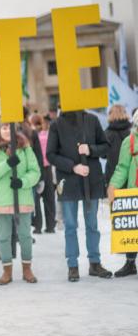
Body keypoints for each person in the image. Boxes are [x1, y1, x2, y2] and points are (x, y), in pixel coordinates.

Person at [46, 110, 112, 281]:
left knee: (92, 225)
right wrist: (72, 167)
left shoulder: (92, 119)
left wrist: (90, 149)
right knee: (70, 226)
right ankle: (72, 265)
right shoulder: (56, 124)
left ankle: (95, 263)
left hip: (92, 181)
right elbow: (51, 154)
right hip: (68, 182)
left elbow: (105, 147)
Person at [0, 123, 40, 285]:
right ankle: (6, 271)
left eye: (10, 127)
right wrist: (8, 163)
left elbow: (35, 171)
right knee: (3, 237)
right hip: (1, 199)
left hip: (21, 198)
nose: (7, 130)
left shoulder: (25, 146)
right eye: (4, 127)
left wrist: (22, 182)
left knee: (25, 236)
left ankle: (27, 269)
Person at [106, 108, 137, 278]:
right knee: (132, 227)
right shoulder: (129, 141)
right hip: (134, 192)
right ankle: (130, 263)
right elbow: (122, 168)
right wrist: (113, 186)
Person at [29, 114, 57, 234]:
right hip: (48, 168)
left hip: (37, 168)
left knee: (36, 199)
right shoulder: (48, 135)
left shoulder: (33, 136)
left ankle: (38, 226)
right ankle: (50, 226)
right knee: (49, 198)